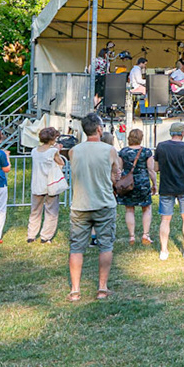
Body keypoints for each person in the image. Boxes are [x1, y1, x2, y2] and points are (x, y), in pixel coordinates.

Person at [66, 115, 118, 301]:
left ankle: (75, 290)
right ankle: (102, 289)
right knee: (105, 246)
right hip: (104, 203)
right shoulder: (109, 150)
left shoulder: (73, 151)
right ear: (98, 129)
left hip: (80, 204)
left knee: (76, 248)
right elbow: (116, 174)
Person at [152, 120, 184, 258]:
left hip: (166, 186)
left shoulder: (161, 147)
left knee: (165, 219)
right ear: (182, 133)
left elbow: (156, 168)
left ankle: (164, 251)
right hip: (183, 186)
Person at [27, 126, 67, 244]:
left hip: (37, 184)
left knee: (35, 211)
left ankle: (31, 235)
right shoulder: (53, 151)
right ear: (52, 139)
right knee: (51, 211)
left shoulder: (34, 151)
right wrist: (57, 150)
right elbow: (61, 162)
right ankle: (45, 236)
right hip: (50, 185)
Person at [118, 126, 158, 244]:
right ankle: (145, 235)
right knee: (146, 208)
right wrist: (154, 184)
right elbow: (151, 170)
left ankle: (132, 236)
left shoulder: (123, 152)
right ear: (141, 138)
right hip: (143, 183)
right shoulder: (146, 152)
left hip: (127, 184)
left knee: (129, 209)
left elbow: (119, 169)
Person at [127, 57, 149, 124]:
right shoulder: (137, 69)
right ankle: (146, 110)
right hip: (135, 87)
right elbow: (139, 80)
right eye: (144, 64)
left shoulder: (134, 69)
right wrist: (147, 81)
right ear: (141, 63)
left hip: (134, 86)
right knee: (148, 92)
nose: (145, 66)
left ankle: (144, 109)